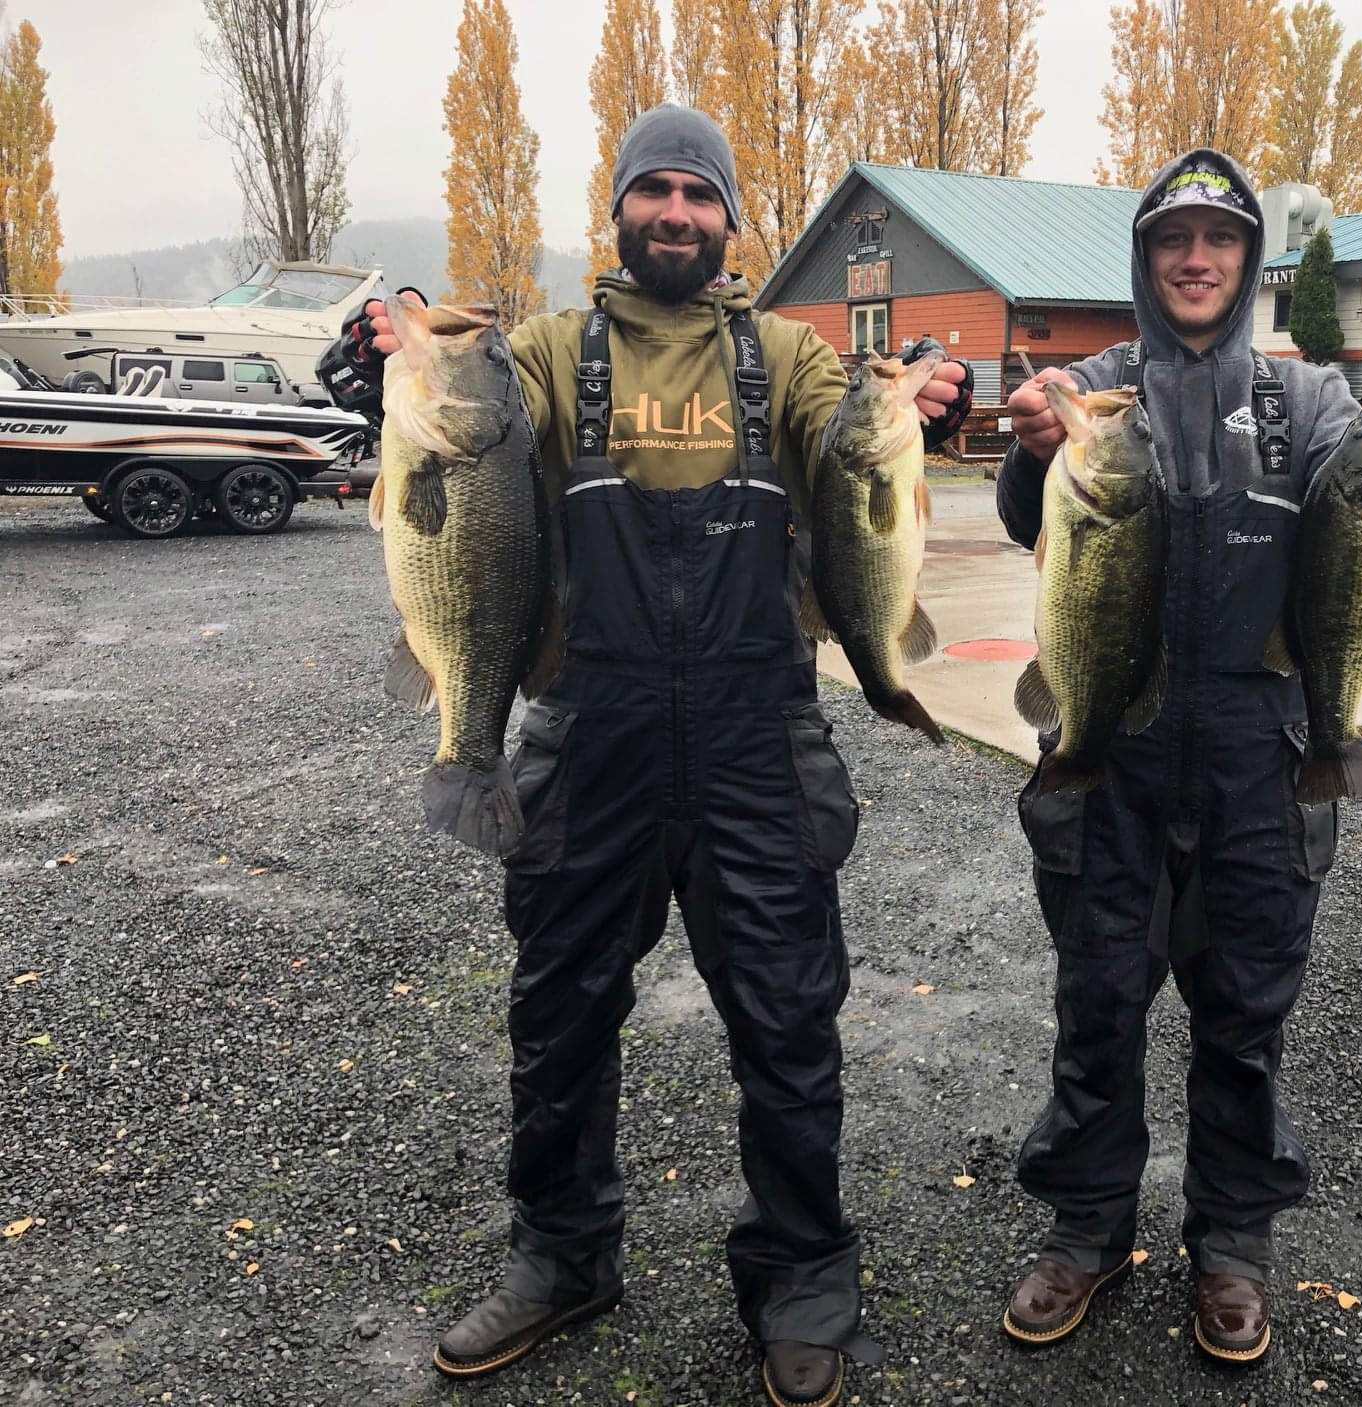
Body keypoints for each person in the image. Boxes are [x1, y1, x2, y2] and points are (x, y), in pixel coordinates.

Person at [319, 104, 970, 1407]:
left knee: (787, 1024)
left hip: (756, 742)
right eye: (654, 189)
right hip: (589, 734)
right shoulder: (546, 354)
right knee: (559, 1016)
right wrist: (372, 358)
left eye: (698, 193)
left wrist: (925, 391)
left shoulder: (784, 356)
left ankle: (801, 1279)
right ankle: (561, 1255)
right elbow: (442, 422)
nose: (676, 212)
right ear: (617, 208)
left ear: (729, 218)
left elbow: (862, 441)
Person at [993, 149, 1362, 1365]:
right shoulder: (1098, 388)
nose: (1195, 260)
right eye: (1172, 240)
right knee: (1098, 1007)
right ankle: (1086, 1229)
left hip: (1265, 760)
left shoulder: (1310, 400)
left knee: (1245, 1020)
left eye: (1220, 240)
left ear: (1249, 262)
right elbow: (1029, 510)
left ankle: (1234, 1246)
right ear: (1144, 260)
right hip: (1112, 760)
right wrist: (1034, 445)